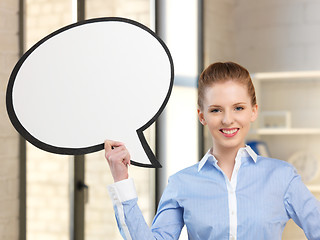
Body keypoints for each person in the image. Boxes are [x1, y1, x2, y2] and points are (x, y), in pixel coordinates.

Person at [104, 62, 320, 240]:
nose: (227, 119)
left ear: (253, 111)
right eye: (216, 110)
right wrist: (121, 180)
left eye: (238, 108)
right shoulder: (181, 183)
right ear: (202, 116)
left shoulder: (282, 177)